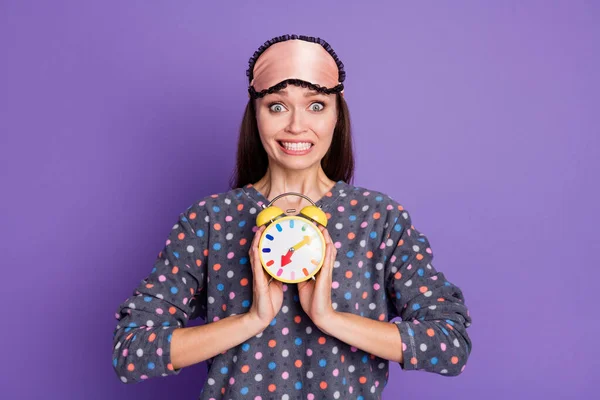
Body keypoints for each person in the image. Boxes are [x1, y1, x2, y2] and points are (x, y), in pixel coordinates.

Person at [112, 34, 473, 399]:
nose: (297, 126)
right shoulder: (209, 220)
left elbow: (450, 344)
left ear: (337, 114)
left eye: (316, 105)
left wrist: (330, 319)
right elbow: (132, 350)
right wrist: (251, 320)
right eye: (277, 106)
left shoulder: (380, 220)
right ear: (256, 113)